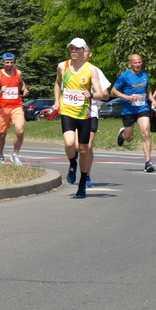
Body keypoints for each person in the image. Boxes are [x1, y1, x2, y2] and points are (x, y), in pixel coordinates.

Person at [52, 39, 109, 198]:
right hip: (67, 111)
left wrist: (91, 94)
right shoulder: (63, 66)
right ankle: (72, 164)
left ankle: (83, 182)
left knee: (83, 149)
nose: (73, 51)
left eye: (76, 48)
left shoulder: (91, 70)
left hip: (84, 114)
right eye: (71, 48)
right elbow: (57, 84)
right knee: (69, 143)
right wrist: (57, 101)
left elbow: (100, 93)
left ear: (83, 51)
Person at [111, 54, 156, 173]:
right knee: (129, 138)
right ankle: (122, 134)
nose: (137, 65)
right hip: (128, 110)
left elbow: (147, 90)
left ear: (142, 63)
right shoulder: (125, 76)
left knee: (146, 132)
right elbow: (114, 91)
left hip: (142, 108)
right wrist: (126, 97)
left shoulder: (145, 76)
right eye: (135, 63)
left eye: (139, 62)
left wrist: (153, 100)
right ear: (130, 63)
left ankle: (148, 162)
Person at [0, 52, 29, 165]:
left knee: (20, 130)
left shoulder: (18, 73)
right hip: (2, 108)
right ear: (3, 62)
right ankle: (0, 154)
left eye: (11, 62)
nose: (9, 65)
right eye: (7, 62)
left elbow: (21, 83)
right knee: (2, 134)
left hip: (16, 106)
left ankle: (15, 155)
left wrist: (24, 90)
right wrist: (0, 91)